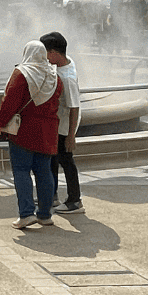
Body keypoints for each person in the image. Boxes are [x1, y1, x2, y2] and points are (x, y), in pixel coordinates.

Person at [0, 40, 63, 228]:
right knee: (44, 171)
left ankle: (26, 213)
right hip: (48, 131)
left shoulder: (22, 74)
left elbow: (10, 101)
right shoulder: (55, 76)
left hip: (24, 130)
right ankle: (45, 214)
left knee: (22, 170)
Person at [43, 31, 84, 215]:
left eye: (45, 53)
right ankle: (52, 195)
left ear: (54, 53)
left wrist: (71, 136)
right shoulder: (66, 62)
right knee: (53, 159)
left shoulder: (67, 78)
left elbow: (74, 107)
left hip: (65, 126)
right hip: (58, 124)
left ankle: (74, 200)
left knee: (66, 161)